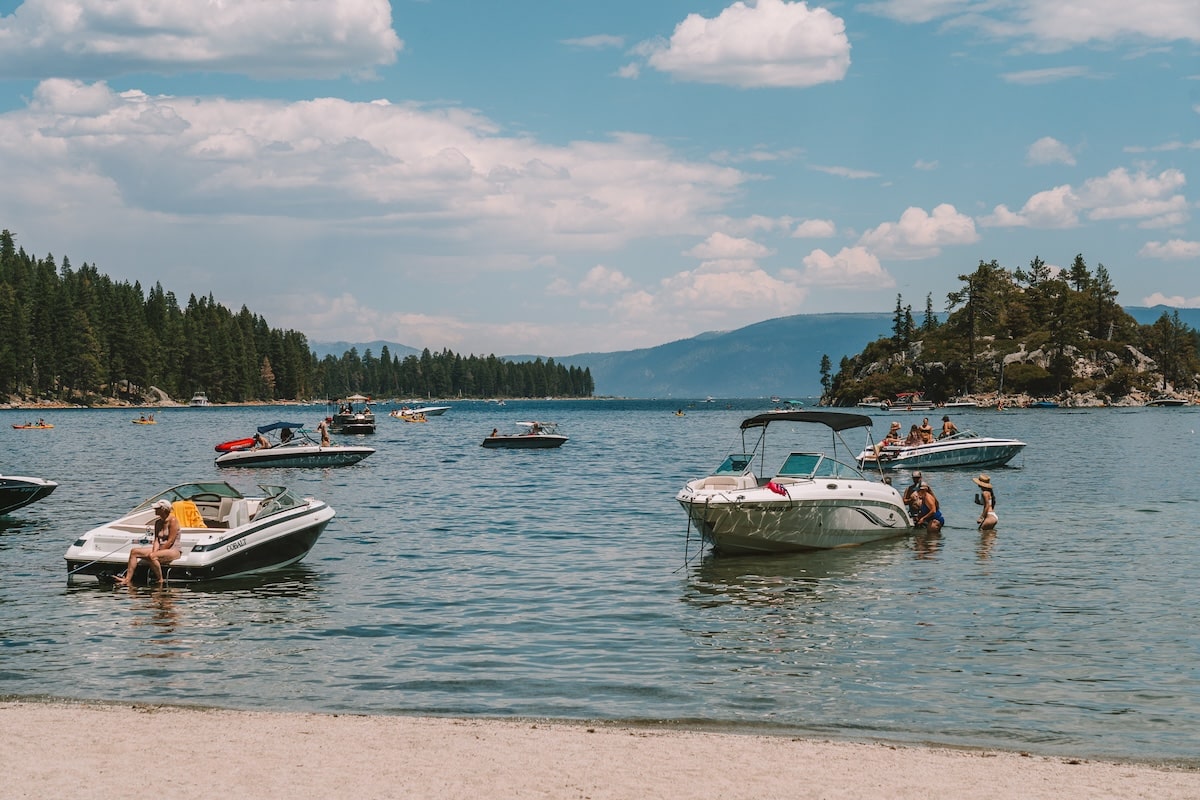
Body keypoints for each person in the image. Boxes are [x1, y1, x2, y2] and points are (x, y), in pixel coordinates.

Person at [116, 499, 181, 586]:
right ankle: (127, 579)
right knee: (134, 551)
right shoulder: (158, 522)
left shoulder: (173, 520)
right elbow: (157, 540)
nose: (155, 510)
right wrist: (155, 551)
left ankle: (160, 580)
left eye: (157, 508)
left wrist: (156, 553)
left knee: (152, 556)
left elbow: (170, 541)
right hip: (161, 548)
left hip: (173, 550)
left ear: (163, 509)